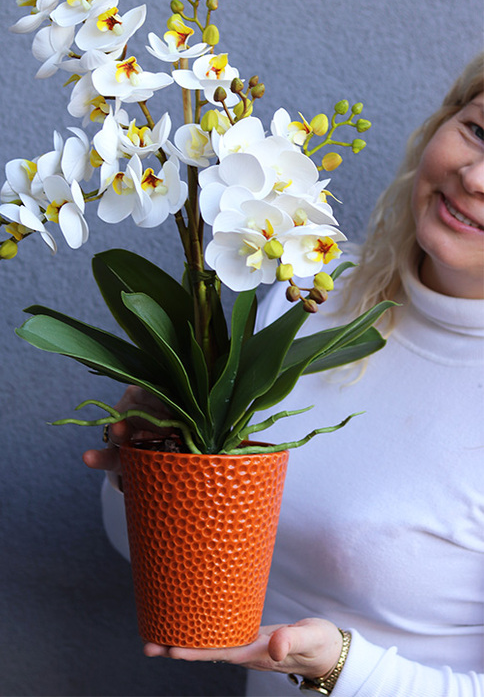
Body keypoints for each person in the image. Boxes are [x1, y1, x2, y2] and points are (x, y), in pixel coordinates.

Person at [83, 53, 484, 697]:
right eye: (478, 131)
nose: (476, 176)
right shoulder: (307, 285)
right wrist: (145, 476)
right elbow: (153, 562)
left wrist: (338, 667)